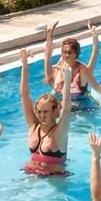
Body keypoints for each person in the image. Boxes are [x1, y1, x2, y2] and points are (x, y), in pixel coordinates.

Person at [18, 46, 71, 176]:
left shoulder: (59, 132)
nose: (42, 115)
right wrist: (24, 66)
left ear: (54, 111)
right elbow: (24, 95)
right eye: (39, 111)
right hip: (32, 173)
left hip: (55, 177)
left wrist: (67, 79)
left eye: (46, 111)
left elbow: (66, 108)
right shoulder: (33, 127)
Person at [45, 20, 101, 103]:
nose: (66, 55)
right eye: (64, 52)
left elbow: (95, 52)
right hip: (60, 105)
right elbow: (47, 56)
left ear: (76, 54)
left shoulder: (83, 70)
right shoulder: (57, 69)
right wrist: (49, 36)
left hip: (82, 107)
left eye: (69, 52)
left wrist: (94, 34)